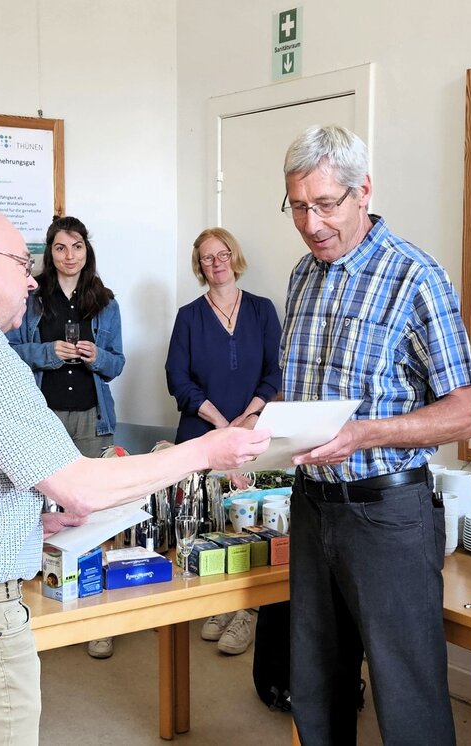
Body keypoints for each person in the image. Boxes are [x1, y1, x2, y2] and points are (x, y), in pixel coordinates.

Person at [0, 205, 270, 746]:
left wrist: (22, 519)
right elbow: (83, 487)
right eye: (22, 263)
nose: (31, 279)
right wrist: (207, 450)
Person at [278, 125, 471, 745]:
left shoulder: (417, 278)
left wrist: (367, 433)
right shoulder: (301, 277)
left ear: (363, 190)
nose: (311, 224)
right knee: (315, 689)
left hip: (388, 515)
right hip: (312, 509)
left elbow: (467, 413)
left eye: (325, 204)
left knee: (406, 696)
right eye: (297, 207)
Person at [6, 215, 124, 659]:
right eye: (60, 247)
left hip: (93, 418)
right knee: (35, 510)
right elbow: (10, 352)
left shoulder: (106, 303)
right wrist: (47, 353)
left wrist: (98, 357)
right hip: (43, 415)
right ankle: (36, 613)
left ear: (86, 251)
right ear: (49, 253)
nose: (69, 255)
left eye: (77, 247)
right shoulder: (32, 298)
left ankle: (98, 617)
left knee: (92, 513)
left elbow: (118, 364)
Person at [165, 227, 282, 655]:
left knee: (253, 527)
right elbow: (177, 379)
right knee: (212, 528)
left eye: (222, 254)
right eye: (207, 258)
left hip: (253, 435)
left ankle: (246, 614)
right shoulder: (189, 317)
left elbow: (275, 372)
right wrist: (219, 423)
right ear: (200, 267)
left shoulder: (262, 311)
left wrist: (247, 418)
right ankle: (218, 605)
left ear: (235, 256)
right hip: (202, 437)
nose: (216, 263)